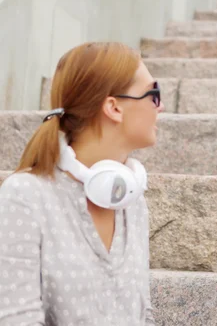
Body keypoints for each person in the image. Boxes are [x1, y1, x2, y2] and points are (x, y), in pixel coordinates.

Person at [0, 42, 164, 325]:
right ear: (114, 107)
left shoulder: (131, 199)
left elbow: (143, 316)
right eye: (154, 94)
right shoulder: (25, 196)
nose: (159, 107)